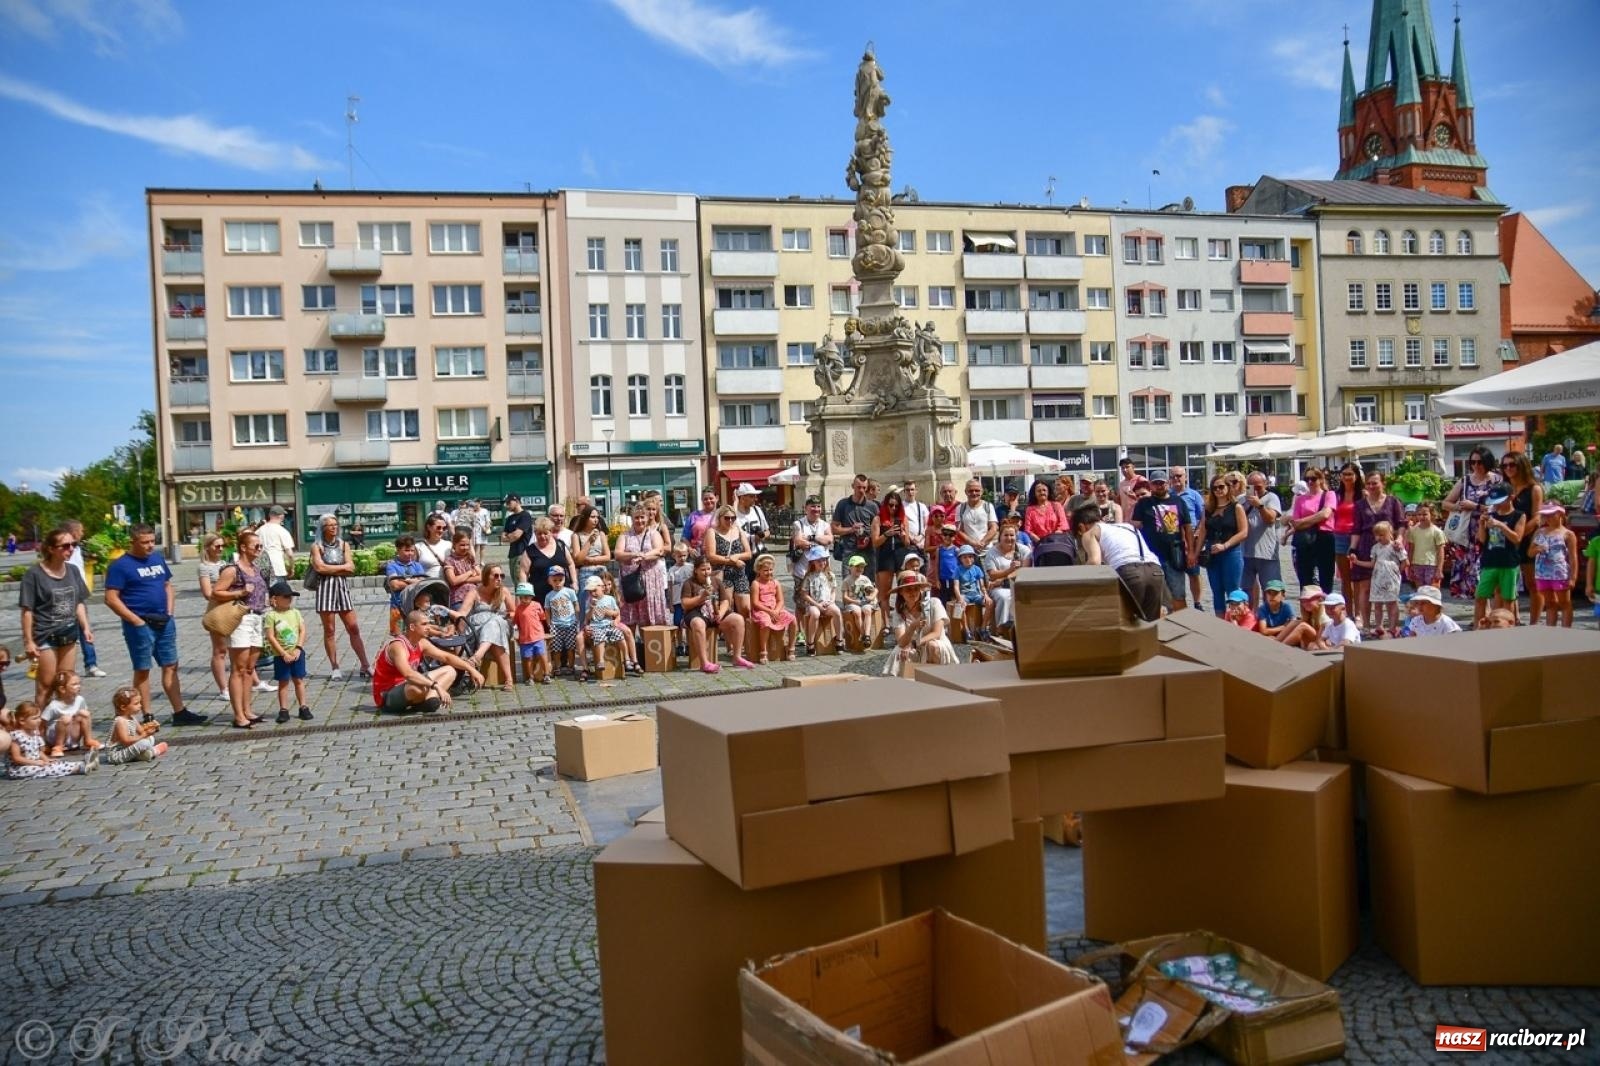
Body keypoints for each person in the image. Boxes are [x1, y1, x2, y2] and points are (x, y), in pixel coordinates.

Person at [104, 522, 197, 723]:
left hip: (164, 620)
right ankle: (146, 714)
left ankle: (180, 712)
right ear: (133, 542)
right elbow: (111, 598)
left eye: (152, 541)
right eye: (144, 542)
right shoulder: (120, 565)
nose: (149, 546)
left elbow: (167, 585)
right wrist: (135, 620)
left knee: (171, 665)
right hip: (140, 624)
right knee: (143, 668)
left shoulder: (157, 559)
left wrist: (170, 611)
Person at [19, 527, 92, 708]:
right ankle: (40, 730)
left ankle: (63, 729)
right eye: (65, 546)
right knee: (46, 686)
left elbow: (79, 602)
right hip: (45, 636)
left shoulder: (73, 570)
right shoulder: (34, 575)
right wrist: (29, 641)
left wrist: (86, 627)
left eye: (73, 545)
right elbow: (27, 610)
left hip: (68, 634)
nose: (71, 549)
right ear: (51, 549)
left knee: (65, 684)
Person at [211, 529, 269, 729]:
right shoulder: (232, 570)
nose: (259, 549)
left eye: (261, 546)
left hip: (257, 617)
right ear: (243, 547)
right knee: (239, 667)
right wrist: (240, 592)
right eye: (256, 546)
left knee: (249, 668)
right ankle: (238, 715)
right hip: (240, 618)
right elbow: (216, 592)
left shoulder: (255, 568)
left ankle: (247, 710)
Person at [373, 611, 482, 714]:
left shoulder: (421, 642)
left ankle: (429, 700)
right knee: (418, 687)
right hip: (387, 695)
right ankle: (427, 697)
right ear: (412, 627)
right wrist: (436, 686)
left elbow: (446, 657)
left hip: (407, 686)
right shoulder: (398, 646)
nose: (428, 627)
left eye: (428, 624)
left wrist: (471, 669)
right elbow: (408, 674)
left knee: (450, 671)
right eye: (424, 624)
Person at [1074, 502, 1164, 623]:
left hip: (1129, 572)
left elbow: (1095, 562)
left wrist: (1077, 580)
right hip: (1155, 571)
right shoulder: (1127, 526)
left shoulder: (1090, 532)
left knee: (1126, 623)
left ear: (1081, 527)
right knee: (1150, 625)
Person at [309, 515, 372, 682]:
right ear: (322, 528)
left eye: (335, 525)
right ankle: (335, 666)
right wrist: (340, 568)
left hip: (342, 589)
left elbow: (351, 568)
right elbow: (319, 567)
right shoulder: (317, 546)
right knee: (329, 630)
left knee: (353, 628)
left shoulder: (344, 545)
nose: (333, 528)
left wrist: (332, 568)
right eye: (329, 525)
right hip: (325, 589)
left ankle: (365, 664)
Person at [1443, 447, 1503, 602]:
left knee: (1489, 572)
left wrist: (1475, 506)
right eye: (1473, 462)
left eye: (1480, 462)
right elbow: (1446, 503)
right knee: (1474, 575)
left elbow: (1501, 506)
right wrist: (1459, 507)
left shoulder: (1497, 480)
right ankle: (1482, 611)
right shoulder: (1465, 481)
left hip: (1492, 532)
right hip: (1468, 535)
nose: (1476, 465)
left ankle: (1490, 612)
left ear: (1487, 462)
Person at [1131, 471, 1191, 611]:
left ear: (1167, 483)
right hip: (1151, 556)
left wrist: (1191, 552)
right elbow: (1135, 527)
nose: (1159, 486)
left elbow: (1187, 528)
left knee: (1178, 594)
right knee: (1155, 596)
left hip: (1174, 555)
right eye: (1155, 483)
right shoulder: (1144, 503)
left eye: (1161, 483)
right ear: (1150, 485)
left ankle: (1182, 625)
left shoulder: (1179, 501)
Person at [682, 559, 752, 672]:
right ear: (696, 571)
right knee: (698, 624)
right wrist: (701, 597)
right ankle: (704, 663)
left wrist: (721, 613)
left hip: (715, 612)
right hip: (697, 612)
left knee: (738, 619)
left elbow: (725, 601)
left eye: (708, 569)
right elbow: (685, 604)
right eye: (703, 570)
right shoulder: (689, 583)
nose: (706, 572)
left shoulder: (716, 581)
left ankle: (737, 657)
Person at [883, 570, 958, 676]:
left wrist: (914, 643)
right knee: (901, 652)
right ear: (901, 592)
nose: (913, 593)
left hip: (935, 642)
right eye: (908, 589)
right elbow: (901, 642)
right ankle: (905, 683)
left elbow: (936, 633)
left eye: (916, 589)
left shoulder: (934, 603)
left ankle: (936, 679)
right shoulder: (899, 613)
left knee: (932, 646)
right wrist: (913, 626)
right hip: (911, 645)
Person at [1500, 453, 1543, 624]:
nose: (1508, 469)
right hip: (1506, 539)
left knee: (1532, 584)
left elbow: (1537, 518)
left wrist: (1519, 535)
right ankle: (1508, 621)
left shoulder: (1534, 488)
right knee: (1505, 585)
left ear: (1521, 465)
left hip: (1527, 538)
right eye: (1505, 466)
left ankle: (1534, 623)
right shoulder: (1504, 487)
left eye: (1512, 465)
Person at [1475, 484, 1527, 626]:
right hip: (1490, 562)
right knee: (1480, 597)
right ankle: (1477, 629)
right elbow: (1482, 539)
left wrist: (1501, 525)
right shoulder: (1491, 514)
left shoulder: (1519, 515)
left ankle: (1506, 629)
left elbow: (1517, 538)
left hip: (1508, 563)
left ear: (1511, 498)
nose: (1496, 504)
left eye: (1500, 500)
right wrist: (1481, 524)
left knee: (1507, 599)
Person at [706, 506, 755, 655]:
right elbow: (711, 556)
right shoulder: (712, 532)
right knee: (727, 608)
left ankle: (747, 644)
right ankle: (731, 646)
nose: (730, 521)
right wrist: (731, 561)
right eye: (726, 518)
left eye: (733, 518)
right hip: (722, 574)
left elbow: (748, 553)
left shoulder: (738, 530)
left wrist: (737, 557)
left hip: (739, 573)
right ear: (719, 518)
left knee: (745, 608)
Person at [60, 521, 105, 678]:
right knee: (64, 631)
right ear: (72, 531)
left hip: (79, 595)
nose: (83, 533)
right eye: (81, 530)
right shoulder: (62, 551)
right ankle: (61, 668)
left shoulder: (79, 548)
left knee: (85, 629)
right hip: (64, 596)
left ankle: (91, 664)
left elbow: (92, 557)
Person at [263, 581, 312, 724]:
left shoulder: (295, 613)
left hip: (297, 653)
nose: (289, 599)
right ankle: (283, 709)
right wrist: (283, 653)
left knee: (299, 680)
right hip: (281, 655)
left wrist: (299, 648)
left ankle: (303, 706)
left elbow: (302, 630)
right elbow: (270, 636)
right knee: (283, 682)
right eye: (285, 597)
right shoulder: (271, 616)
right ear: (274, 599)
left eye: (290, 596)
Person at [461, 565, 517, 690]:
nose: (499, 579)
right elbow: (462, 613)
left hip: (502, 626)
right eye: (495, 576)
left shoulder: (504, 591)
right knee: (494, 630)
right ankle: (509, 679)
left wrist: (509, 616)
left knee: (495, 622)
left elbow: (513, 611)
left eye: (501, 576)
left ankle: (476, 658)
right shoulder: (474, 592)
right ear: (486, 577)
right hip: (479, 629)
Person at [616, 503, 670, 631]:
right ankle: (631, 649)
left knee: (650, 617)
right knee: (630, 616)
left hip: (651, 581)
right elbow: (617, 554)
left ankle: (649, 647)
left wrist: (644, 556)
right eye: (636, 518)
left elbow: (659, 550)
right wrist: (633, 554)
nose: (639, 520)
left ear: (646, 518)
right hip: (631, 581)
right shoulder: (624, 536)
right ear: (632, 519)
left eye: (642, 517)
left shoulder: (654, 534)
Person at [6, 701, 95, 778]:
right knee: (46, 769)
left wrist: (46, 759)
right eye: (35, 718)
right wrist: (35, 763)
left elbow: (38, 752)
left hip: (35, 762)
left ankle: (81, 763)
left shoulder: (34, 734)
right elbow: (16, 758)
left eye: (39, 717)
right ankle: (78, 769)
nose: (39, 720)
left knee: (54, 763)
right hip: (21, 768)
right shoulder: (16, 736)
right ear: (22, 721)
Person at [1202, 475, 1248, 615]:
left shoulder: (1236, 507)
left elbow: (1244, 532)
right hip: (1213, 554)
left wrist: (1225, 545)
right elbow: (1202, 532)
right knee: (1216, 590)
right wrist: (1195, 552)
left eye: (1221, 486)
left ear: (1228, 488)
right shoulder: (1208, 509)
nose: (1218, 490)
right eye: (1214, 488)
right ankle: (1220, 622)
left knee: (1233, 590)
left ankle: (1237, 621)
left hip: (1231, 553)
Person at [583, 573, 641, 679]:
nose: (606, 587)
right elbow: (587, 618)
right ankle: (599, 661)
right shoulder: (590, 601)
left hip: (612, 623)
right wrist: (592, 608)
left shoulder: (611, 597)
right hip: (598, 626)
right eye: (604, 585)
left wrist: (613, 617)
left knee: (625, 633)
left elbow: (617, 614)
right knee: (600, 638)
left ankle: (631, 660)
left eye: (608, 584)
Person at [1530, 503, 1577, 628]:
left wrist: (1573, 577)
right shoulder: (1540, 532)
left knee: (1564, 603)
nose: (1548, 518)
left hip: (1560, 573)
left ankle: (1566, 631)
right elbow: (1530, 553)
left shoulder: (1568, 534)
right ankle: (1551, 630)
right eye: (1545, 515)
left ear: (1560, 514)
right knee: (1550, 603)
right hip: (1542, 573)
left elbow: (1573, 557)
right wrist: (1537, 549)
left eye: (1551, 514)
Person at [1239, 473, 1283, 608]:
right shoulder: (1241, 500)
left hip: (1267, 554)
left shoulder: (1271, 498)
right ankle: (1250, 620)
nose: (1255, 490)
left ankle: (1272, 620)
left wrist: (1260, 505)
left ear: (1265, 484)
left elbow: (1270, 519)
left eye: (1258, 487)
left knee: (1271, 590)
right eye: (1250, 486)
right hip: (1245, 553)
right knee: (1246, 591)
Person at [196, 535, 230, 701]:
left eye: (222, 546)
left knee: (239, 647)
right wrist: (227, 593)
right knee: (220, 650)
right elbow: (208, 593)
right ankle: (223, 688)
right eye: (217, 546)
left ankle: (254, 681)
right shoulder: (205, 567)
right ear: (208, 547)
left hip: (232, 609)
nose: (221, 549)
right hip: (217, 610)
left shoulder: (225, 564)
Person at [983, 521, 1031, 636]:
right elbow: (992, 575)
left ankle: (1024, 629)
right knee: (1004, 596)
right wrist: (1009, 570)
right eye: (1006, 535)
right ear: (1000, 537)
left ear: (1016, 536)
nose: (1009, 538)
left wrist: (1003, 579)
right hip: (998, 588)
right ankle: (1002, 629)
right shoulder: (992, 552)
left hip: (1016, 584)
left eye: (1012, 535)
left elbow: (1024, 572)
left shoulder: (1024, 550)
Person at [1167, 468, 1207, 608]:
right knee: (1175, 573)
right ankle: (1177, 603)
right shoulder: (1167, 495)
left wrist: (1198, 532)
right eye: (1173, 476)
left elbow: (1203, 516)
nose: (1176, 479)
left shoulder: (1194, 495)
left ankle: (1197, 602)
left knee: (1194, 572)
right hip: (1174, 540)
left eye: (1179, 476)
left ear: (1185, 477)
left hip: (1191, 539)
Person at [872, 488, 914, 619]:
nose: (893, 508)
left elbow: (907, 543)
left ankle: (902, 618)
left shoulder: (903, 518)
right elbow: (875, 542)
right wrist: (887, 534)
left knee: (905, 589)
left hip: (900, 555)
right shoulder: (878, 519)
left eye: (896, 505)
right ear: (885, 504)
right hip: (885, 556)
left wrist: (902, 535)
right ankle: (886, 623)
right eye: (891, 505)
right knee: (885, 592)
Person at [1360, 521, 1407, 638]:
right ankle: (1378, 626)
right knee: (1377, 603)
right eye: (1376, 535)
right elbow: (1372, 564)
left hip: (1391, 579)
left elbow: (1405, 562)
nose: (1378, 537)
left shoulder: (1395, 547)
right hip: (1377, 579)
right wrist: (1357, 562)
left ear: (1389, 533)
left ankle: (1392, 627)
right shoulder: (1375, 548)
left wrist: (1397, 571)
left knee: (1392, 603)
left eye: (1381, 534)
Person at [749, 554, 797, 662]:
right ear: (759, 570)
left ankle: (791, 648)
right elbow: (755, 603)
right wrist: (770, 612)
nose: (769, 572)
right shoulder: (756, 584)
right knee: (765, 622)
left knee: (793, 619)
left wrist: (776, 611)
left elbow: (780, 600)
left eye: (770, 570)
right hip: (761, 610)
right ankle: (763, 651)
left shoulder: (776, 583)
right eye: (765, 570)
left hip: (775, 609)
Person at [102, 686, 168, 765]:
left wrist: (152, 727)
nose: (140, 706)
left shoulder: (132, 718)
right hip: (117, 754)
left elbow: (141, 731)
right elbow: (126, 741)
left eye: (140, 703)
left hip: (127, 749)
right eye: (136, 704)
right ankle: (154, 751)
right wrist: (144, 735)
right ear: (123, 707)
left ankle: (141, 755)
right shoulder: (120, 721)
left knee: (150, 739)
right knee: (144, 743)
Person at [831, 474, 879, 575]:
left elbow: (878, 529)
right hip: (849, 550)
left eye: (864, 488)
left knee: (868, 585)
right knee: (849, 586)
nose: (861, 490)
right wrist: (851, 529)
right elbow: (834, 529)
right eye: (859, 487)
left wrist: (869, 536)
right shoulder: (843, 504)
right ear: (853, 486)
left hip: (868, 551)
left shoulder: (872, 506)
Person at [798, 546, 842, 655]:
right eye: (819, 560)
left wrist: (831, 601)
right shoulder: (809, 576)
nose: (822, 562)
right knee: (815, 614)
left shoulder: (830, 575)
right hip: (814, 603)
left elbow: (833, 590)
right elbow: (804, 594)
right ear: (813, 562)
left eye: (824, 560)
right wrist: (816, 604)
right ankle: (810, 642)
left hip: (827, 602)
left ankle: (839, 639)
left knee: (837, 611)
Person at [42, 669, 98, 756]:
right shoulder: (53, 705)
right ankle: (58, 746)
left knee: (84, 713)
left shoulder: (80, 700)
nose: (78, 686)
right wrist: (43, 743)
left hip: (72, 734)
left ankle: (88, 740)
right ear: (62, 689)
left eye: (79, 683)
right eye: (74, 684)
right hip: (57, 736)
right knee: (66, 718)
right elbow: (43, 723)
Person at [1328, 462, 1363, 595]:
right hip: (1339, 536)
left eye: (1350, 474)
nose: (1347, 477)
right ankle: (1348, 612)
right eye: (1344, 474)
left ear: (1356, 476)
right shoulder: (1336, 495)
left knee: (1359, 577)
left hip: (1358, 537)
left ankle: (1359, 612)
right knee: (1345, 579)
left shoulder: (1362, 495)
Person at [384, 536, 428, 636]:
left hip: (415, 607)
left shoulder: (417, 565)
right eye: (407, 550)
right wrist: (414, 582)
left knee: (417, 634)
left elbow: (423, 582)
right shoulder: (392, 566)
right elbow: (394, 585)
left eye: (412, 550)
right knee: (399, 636)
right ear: (398, 550)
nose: (410, 553)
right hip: (398, 607)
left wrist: (406, 581)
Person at [789, 495, 833, 594]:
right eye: (813, 506)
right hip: (803, 571)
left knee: (822, 601)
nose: (816, 509)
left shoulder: (825, 525)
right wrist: (820, 541)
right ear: (806, 508)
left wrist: (811, 537)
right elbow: (799, 541)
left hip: (822, 572)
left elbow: (829, 540)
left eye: (818, 506)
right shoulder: (798, 524)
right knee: (801, 604)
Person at [543, 567, 583, 676]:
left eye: (560, 580)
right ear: (549, 581)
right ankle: (557, 667)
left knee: (571, 647)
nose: (558, 583)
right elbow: (547, 610)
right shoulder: (549, 596)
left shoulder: (569, 592)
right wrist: (549, 623)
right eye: (554, 580)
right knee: (556, 649)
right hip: (556, 625)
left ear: (564, 579)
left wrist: (576, 617)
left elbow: (576, 604)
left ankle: (571, 666)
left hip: (570, 623)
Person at [524, 517, 571, 603]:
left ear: (551, 532)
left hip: (562, 593)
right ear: (535, 534)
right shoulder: (530, 550)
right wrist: (525, 591)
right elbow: (524, 572)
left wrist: (574, 582)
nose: (542, 536)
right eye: (539, 534)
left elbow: (570, 564)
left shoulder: (560, 545)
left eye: (545, 533)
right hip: (539, 595)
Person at [841, 554, 881, 652]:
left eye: (862, 566)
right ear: (850, 567)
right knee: (857, 611)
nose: (860, 568)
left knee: (867, 610)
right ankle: (863, 634)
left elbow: (874, 590)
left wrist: (872, 596)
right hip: (853, 603)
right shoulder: (847, 580)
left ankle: (866, 635)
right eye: (857, 566)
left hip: (864, 601)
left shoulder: (865, 579)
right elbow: (845, 597)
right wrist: (854, 601)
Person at [513, 582, 550, 685]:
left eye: (526, 596)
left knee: (542, 655)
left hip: (538, 636)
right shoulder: (519, 608)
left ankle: (546, 674)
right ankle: (530, 677)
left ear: (531, 596)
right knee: (528, 658)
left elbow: (542, 617)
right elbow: (515, 622)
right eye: (521, 597)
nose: (524, 599)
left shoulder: (537, 605)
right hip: (525, 638)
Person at [1404, 503, 1447, 590]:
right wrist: (1409, 566)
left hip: (1432, 565)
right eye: (1419, 514)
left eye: (1425, 514)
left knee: (1432, 591)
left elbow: (1440, 551)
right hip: (1417, 565)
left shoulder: (1437, 532)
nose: (1422, 517)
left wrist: (1439, 569)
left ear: (1432, 514)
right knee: (1420, 591)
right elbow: (1411, 549)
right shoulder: (1413, 531)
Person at [733, 484, 770, 582]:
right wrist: (752, 538)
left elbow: (767, 530)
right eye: (751, 496)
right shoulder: (734, 514)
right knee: (745, 587)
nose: (755, 499)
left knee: (762, 586)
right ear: (742, 498)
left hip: (760, 554)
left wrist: (762, 536)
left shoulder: (757, 510)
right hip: (743, 557)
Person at [954, 544, 990, 639]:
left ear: (974, 558)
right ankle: (966, 631)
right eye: (964, 557)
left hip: (976, 595)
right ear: (960, 559)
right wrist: (959, 597)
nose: (968, 559)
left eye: (970, 556)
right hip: (964, 595)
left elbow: (982, 585)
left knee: (990, 603)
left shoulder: (977, 569)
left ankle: (983, 628)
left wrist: (985, 595)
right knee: (960, 605)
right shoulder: (958, 570)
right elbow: (956, 586)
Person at [257, 505, 296, 586]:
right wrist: (291, 568)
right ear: (281, 516)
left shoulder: (258, 531)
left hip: (261, 568)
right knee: (279, 596)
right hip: (277, 568)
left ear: (270, 515)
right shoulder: (282, 531)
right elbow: (290, 554)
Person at [498, 494, 534, 582]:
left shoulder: (525, 516)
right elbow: (502, 537)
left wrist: (509, 536)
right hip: (512, 554)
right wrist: (509, 536)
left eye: (509, 502)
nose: (507, 505)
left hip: (522, 553)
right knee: (515, 582)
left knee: (521, 583)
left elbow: (516, 535)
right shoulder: (510, 518)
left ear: (517, 501)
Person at [666, 541, 694, 656]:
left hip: (688, 601)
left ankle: (688, 644)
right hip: (677, 601)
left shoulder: (691, 568)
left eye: (684, 555)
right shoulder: (672, 570)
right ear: (674, 556)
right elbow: (670, 588)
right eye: (679, 556)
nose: (682, 558)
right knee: (677, 623)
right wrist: (670, 603)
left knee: (687, 623)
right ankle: (679, 644)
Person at [956, 480, 999, 552]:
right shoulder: (960, 508)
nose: (974, 493)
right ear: (965, 492)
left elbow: (994, 528)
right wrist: (973, 543)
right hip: (968, 551)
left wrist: (982, 542)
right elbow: (959, 530)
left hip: (987, 550)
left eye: (977, 490)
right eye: (970, 491)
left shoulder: (988, 506)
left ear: (982, 491)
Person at [682, 488, 720, 556]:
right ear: (702, 500)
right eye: (705, 499)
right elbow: (684, 537)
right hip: (698, 555)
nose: (708, 501)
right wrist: (690, 549)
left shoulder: (722, 515)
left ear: (716, 498)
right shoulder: (693, 516)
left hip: (717, 554)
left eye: (711, 498)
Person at [899, 480, 930, 564]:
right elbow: (900, 525)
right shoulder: (900, 506)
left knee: (924, 569)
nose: (910, 492)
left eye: (912, 489)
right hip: (908, 543)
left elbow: (927, 524)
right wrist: (911, 538)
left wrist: (921, 537)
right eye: (908, 490)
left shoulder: (922, 506)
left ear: (916, 491)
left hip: (922, 543)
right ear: (904, 491)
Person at [925, 482, 961, 552]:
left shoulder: (961, 507)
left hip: (958, 547)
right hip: (941, 548)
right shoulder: (935, 508)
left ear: (955, 492)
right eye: (944, 492)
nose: (947, 494)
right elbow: (930, 527)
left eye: (950, 491)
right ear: (941, 494)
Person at [415, 513, 451, 581]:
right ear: (429, 527)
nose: (441, 530)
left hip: (446, 586)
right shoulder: (418, 547)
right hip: (427, 586)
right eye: (438, 527)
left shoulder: (449, 545)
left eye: (444, 528)